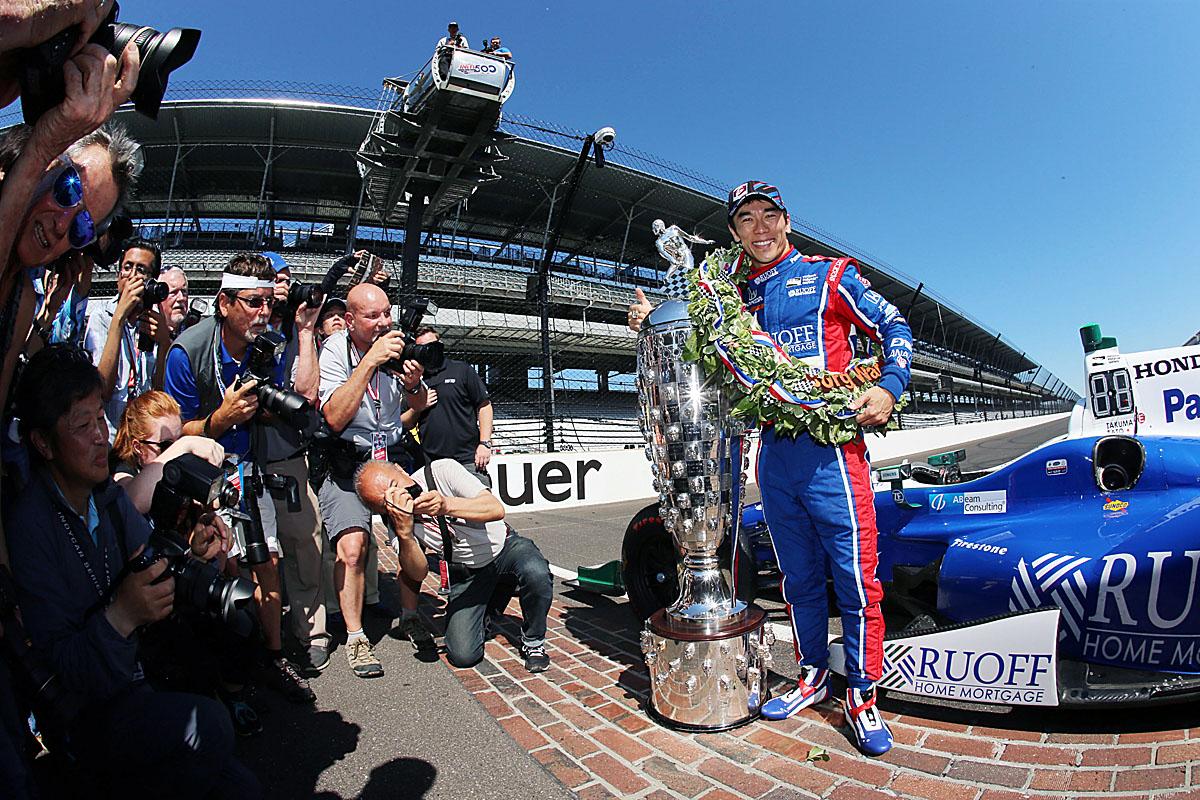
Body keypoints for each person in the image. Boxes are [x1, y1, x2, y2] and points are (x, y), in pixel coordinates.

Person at [628, 181, 913, 756]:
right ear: (734, 232)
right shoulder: (726, 296)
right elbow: (697, 347)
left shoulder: (830, 275)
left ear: (786, 220)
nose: (759, 227)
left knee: (856, 580)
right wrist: (652, 321)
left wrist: (889, 386)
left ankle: (861, 693)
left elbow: (896, 327)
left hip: (832, 450)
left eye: (769, 215)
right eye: (746, 219)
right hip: (775, 452)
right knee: (799, 577)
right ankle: (812, 674)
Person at [4, 344, 259, 798]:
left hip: (136, 681)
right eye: (82, 426)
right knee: (212, 729)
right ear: (42, 442)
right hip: (86, 715)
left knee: (240, 782)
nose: (101, 436)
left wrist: (189, 555)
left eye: (100, 418)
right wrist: (122, 615)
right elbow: (61, 668)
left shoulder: (106, 497)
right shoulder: (30, 526)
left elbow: (148, 566)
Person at [164, 253, 315, 703]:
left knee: (265, 559)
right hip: (200, 473)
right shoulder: (186, 351)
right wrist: (221, 419)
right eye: (253, 303)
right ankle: (220, 673)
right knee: (218, 568)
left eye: (268, 302)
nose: (264, 313)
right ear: (224, 302)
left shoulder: (264, 344)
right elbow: (176, 430)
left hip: (249, 469)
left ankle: (271, 658)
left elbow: (294, 398)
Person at [316, 282, 428, 678]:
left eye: (386, 314)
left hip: (390, 455)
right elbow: (333, 416)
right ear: (349, 320)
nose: (383, 323)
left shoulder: (396, 344)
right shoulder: (334, 350)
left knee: (415, 530)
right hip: (347, 459)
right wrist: (369, 362)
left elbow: (417, 405)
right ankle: (356, 636)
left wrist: (413, 383)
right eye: (372, 316)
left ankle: (411, 615)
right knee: (352, 546)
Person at [355, 459, 553, 673]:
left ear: (401, 468)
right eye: (385, 502)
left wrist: (446, 505)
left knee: (535, 572)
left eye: (395, 485)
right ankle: (487, 608)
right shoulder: (396, 522)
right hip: (467, 570)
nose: (398, 497)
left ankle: (534, 641)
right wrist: (405, 533)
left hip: (505, 547)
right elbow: (418, 572)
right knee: (462, 655)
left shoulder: (440, 471)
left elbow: (495, 508)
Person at [256, 251, 331, 672]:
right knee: (255, 555)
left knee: (304, 542)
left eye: (286, 277)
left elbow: (305, 396)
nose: (282, 286)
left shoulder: (297, 334)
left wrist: (304, 332)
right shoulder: (240, 329)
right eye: (273, 279)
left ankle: (312, 630)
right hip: (243, 461)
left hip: (286, 459)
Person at [83, 238, 169, 442]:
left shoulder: (154, 320)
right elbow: (103, 388)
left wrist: (165, 343)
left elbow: (160, 391)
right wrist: (119, 320)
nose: (132, 276)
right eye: (127, 267)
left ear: (152, 281)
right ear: (118, 275)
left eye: (141, 270)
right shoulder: (102, 316)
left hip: (144, 437)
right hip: (110, 438)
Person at [110, 390, 225, 515]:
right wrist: (184, 444)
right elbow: (133, 502)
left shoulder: (178, 471)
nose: (175, 453)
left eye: (178, 440)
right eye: (166, 445)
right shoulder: (122, 468)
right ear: (138, 447)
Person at [408, 326, 493, 488]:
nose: (428, 351)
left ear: (440, 345)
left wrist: (485, 444)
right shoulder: (415, 380)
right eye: (422, 348)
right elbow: (404, 421)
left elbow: (484, 405)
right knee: (438, 511)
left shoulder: (461, 370)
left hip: (467, 460)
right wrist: (419, 406)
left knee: (483, 509)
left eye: (431, 345)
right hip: (432, 464)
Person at [156, 265, 189, 339]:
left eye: (184, 291)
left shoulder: (196, 331)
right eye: (173, 292)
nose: (181, 298)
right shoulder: (144, 330)